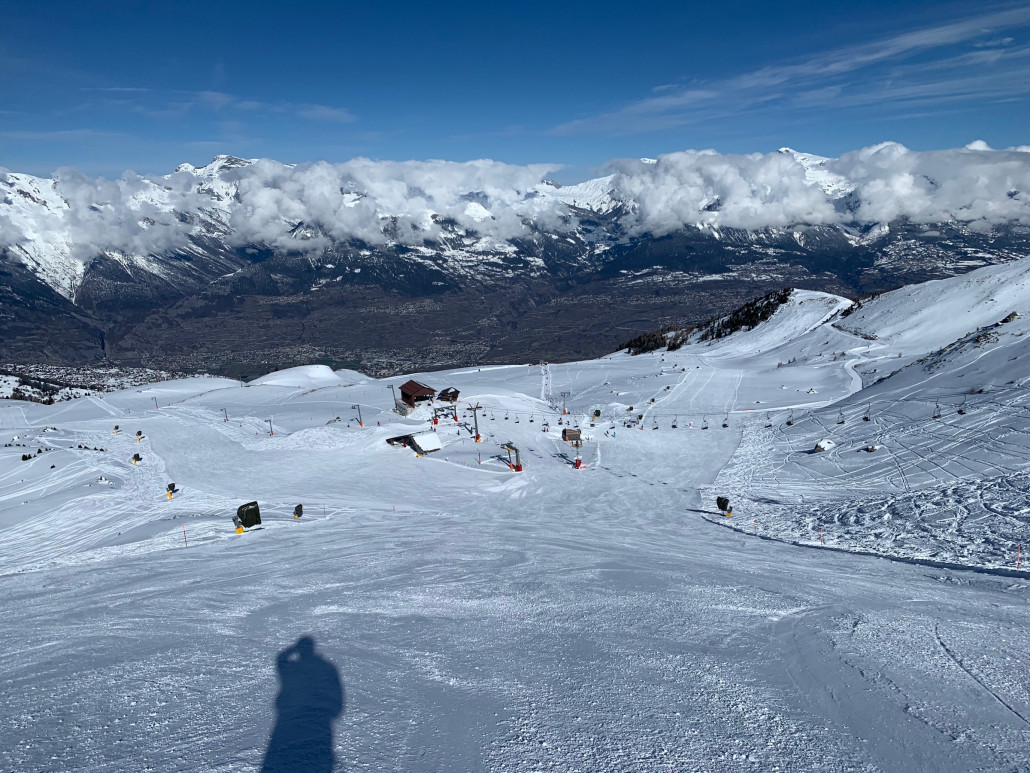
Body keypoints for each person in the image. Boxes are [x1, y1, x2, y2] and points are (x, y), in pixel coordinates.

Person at [261, 636, 343, 773]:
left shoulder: (293, 667)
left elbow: (281, 659)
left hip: (295, 717)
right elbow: (336, 692)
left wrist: (292, 649)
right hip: (314, 717)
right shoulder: (325, 667)